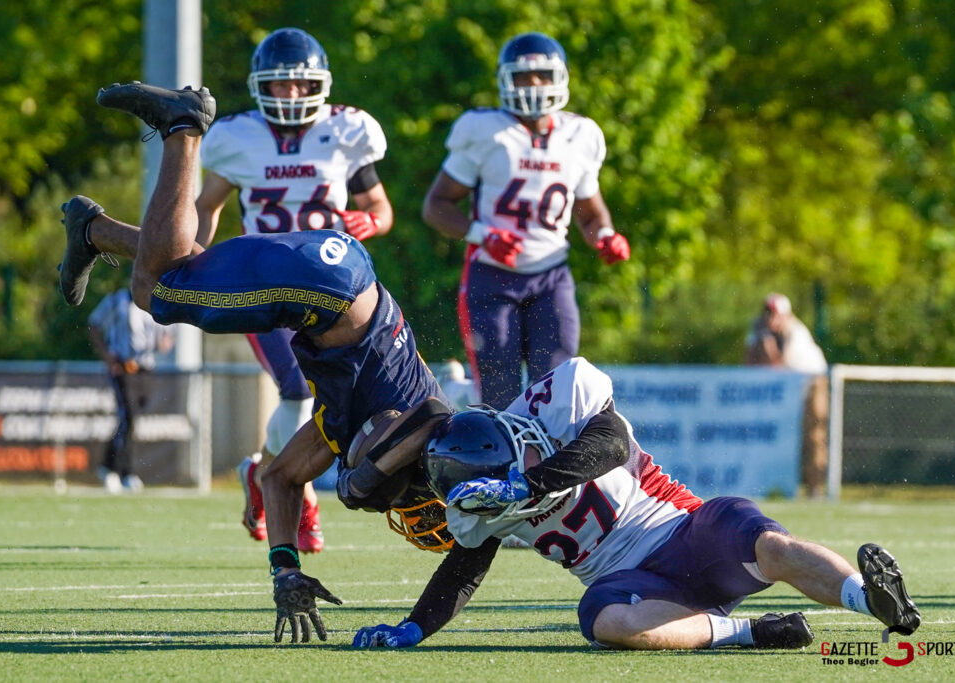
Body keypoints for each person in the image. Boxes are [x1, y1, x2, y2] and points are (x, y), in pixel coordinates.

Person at [57, 80, 449, 642]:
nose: (402, 512)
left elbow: (279, 477)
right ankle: (182, 128)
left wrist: (284, 566)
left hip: (333, 276)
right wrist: (369, 486)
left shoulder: (350, 425)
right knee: (156, 291)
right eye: (416, 513)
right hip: (326, 295)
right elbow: (408, 433)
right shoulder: (421, 427)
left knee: (186, 268)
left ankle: (91, 231)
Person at [351, 357, 921, 651]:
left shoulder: (555, 402)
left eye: (515, 466)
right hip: (630, 581)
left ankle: (869, 600)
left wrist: (527, 486)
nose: (514, 476)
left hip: (684, 528)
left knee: (771, 546)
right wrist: (412, 628)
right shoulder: (474, 504)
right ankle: (750, 632)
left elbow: (611, 442)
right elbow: (463, 571)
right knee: (604, 622)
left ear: (516, 432)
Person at [195, 27, 395, 554]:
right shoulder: (238, 136)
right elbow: (206, 207)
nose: (287, 95)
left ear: (318, 85)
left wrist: (368, 223)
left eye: (298, 85)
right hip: (261, 280)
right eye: (277, 86)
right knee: (297, 388)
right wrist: (191, 256)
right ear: (260, 86)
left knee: (318, 395)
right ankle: (296, 489)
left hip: (329, 283)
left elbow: (381, 209)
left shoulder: (346, 131)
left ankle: (263, 469)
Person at [421, 32, 630, 410]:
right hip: (492, 276)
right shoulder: (486, 131)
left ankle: (540, 467)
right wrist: (482, 234)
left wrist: (606, 235)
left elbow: (590, 213)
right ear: (505, 80)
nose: (533, 86)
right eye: (523, 77)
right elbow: (437, 205)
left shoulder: (579, 135)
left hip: (551, 276)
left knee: (554, 393)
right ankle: (463, 395)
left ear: (560, 79)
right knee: (499, 399)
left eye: (542, 77)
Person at [88, 287, 175, 493]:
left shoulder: (155, 301)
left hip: (145, 369)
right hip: (123, 367)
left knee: (131, 419)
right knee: (128, 416)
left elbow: (168, 335)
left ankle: (107, 466)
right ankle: (123, 472)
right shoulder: (116, 300)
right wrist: (107, 356)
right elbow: (94, 325)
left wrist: (165, 342)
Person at [745, 292, 830, 497]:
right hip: (787, 388)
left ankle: (814, 487)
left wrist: (767, 344)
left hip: (812, 382)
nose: (770, 317)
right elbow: (748, 361)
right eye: (767, 312)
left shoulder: (795, 332)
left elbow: (779, 366)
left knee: (814, 434)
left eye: (774, 313)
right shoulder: (759, 328)